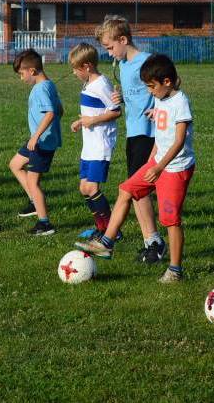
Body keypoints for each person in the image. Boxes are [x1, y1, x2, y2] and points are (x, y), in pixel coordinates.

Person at [76, 54, 195, 284]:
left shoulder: (180, 101)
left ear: (167, 82)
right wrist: (153, 160)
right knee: (125, 190)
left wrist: (159, 167)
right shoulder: (161, 99)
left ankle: (175, 270)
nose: (150, 91)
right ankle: (107, 243)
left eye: (152, 86)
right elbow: (162, 134)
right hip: (157, 162)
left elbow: (179, 141)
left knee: (170, 220)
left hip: (175, 168)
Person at [95, 16, 166, 263]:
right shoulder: (123, 66)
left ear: (123, 39)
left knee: (138, 188)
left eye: (110, 47)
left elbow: (172, 83)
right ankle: (152, 242)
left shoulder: (146, 61)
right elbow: (136, 97)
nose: (109, 53)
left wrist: (159, 108)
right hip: (133, 133)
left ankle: (154, 242)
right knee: (138, 190)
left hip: (150, 134)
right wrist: (122, 99)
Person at [9, 49, 63, 236]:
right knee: (15, 164)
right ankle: (34, 201)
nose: (21, 78)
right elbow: (60, 109)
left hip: (41, 142)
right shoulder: (49, 84)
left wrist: (36, 136)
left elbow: (51, 113)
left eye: (21, 74)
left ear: (32, 71)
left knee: (33, 182)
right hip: (39, 139)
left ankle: (45, 223)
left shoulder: (40, 89)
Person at [68, 42, 121, 236]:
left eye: (76, 69)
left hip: (101, 145)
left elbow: (115, 111)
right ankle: (101, 228)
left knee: (91, 187)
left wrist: (92, 120)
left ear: (87, 66)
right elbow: (94, 111)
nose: (74, 73)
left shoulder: (101, 84)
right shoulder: (88, 83)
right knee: (84, 188)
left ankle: (111, 231)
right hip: (89, 146)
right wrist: (81, 121)